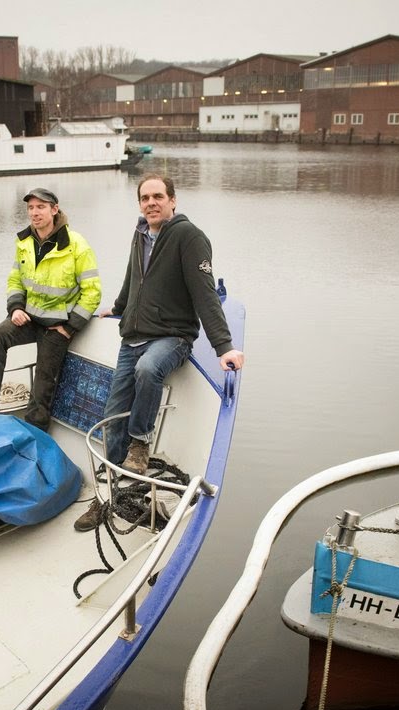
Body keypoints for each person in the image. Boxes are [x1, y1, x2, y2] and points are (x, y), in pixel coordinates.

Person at [74, 174, 244, 531]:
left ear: (173, 200)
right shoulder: (140, 235)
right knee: (112, 413)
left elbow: (205, 294)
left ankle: (140, 444)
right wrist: (118, 307)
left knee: (149, 370)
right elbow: (133, 277)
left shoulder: (189, 237)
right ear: (139, 204)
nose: (151, 203)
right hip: (132, 336)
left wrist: (223, 346)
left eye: (158, 197)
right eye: (145, 198)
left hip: (173, 336)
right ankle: (105, 496)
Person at [0, 188, 101, 431]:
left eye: (40, 207)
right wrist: (15, 308)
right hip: (29, 318)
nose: (34, 212)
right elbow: (15, 281)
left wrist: (70, 327)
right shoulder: (24, 242)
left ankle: (35, 432)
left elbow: (93, 291)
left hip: (57, 325)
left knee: (44, 381)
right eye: (31, 208)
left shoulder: (76, 244)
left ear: (54, 210)